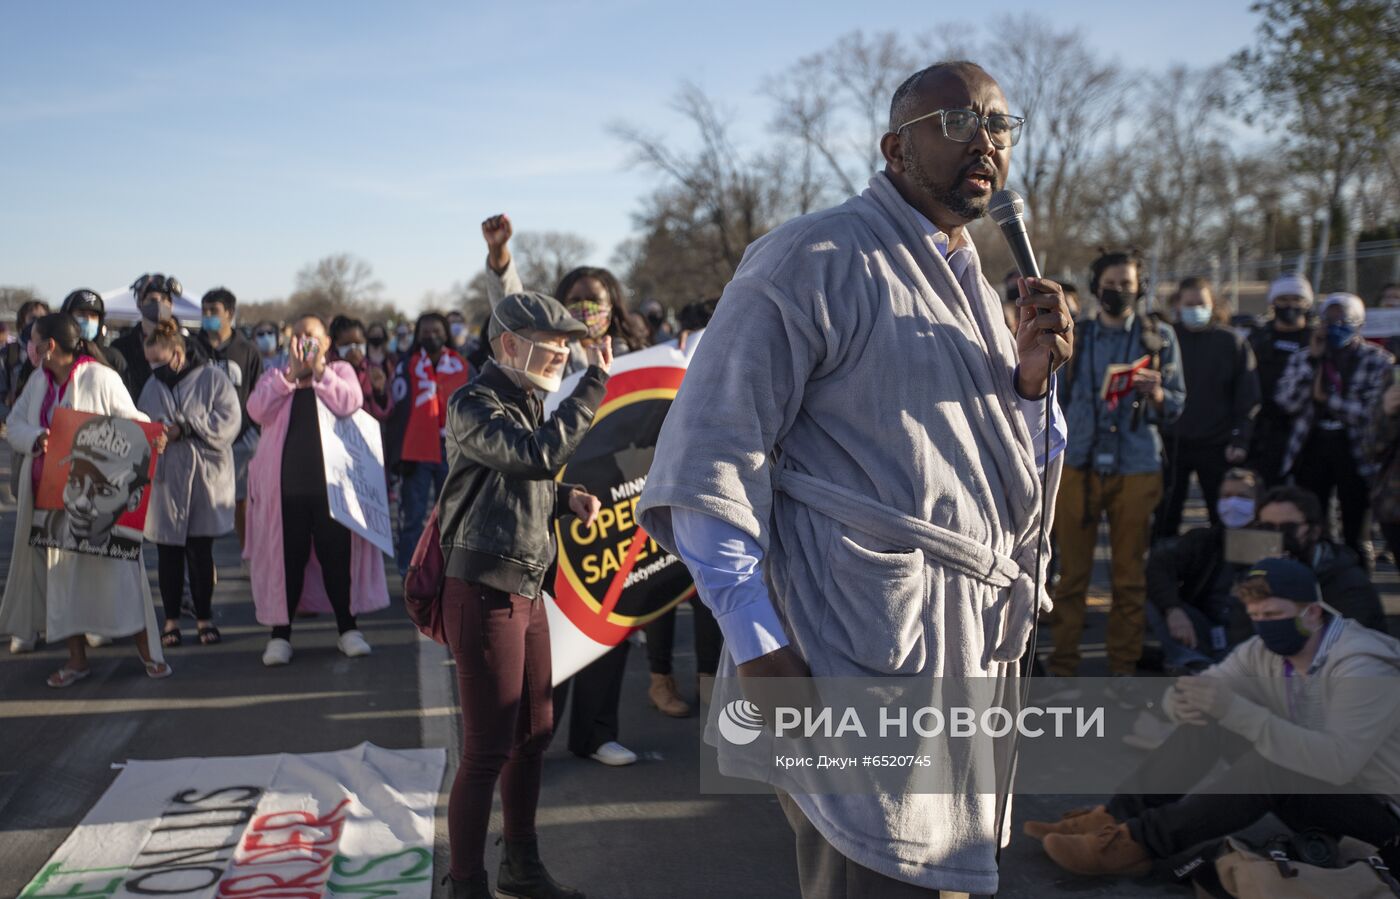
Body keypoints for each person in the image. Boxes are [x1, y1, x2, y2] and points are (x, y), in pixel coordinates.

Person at [636, 60, 1071, 897]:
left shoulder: (979, 287)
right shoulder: (811, 256)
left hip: (959, 647)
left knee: (936, 877)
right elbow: (711, 453)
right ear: (894, 150)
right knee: (869, 875)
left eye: (999, 125)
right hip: (854, 641)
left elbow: (1013, 472)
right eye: (956, 122)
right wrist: (757, 642)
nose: (984, 139)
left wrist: (1030, 382)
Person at [1027, 558, 1400, 880]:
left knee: (1271, 763)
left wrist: (1234, 710)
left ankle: (1138, 846)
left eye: (1273, 615)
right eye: (1256, 617)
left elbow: (1337, 762)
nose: (1264, 625)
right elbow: (1207, 687)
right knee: (1214, 720)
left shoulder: (1364, 666)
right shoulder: (1265, 650)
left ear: (1313, 613)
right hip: (1324, 791)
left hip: (1381, 817)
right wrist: (1182, 703)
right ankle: (1113, 819)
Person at [438, 290, 610, 899]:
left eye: (568, 341)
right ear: (510, 343)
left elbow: (519, 483)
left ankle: (520, 866)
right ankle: (466, 884)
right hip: (484, 589)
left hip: (524, 587)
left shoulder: (524, 399)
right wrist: (595, 386)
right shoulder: (472, 402)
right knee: (486, 750)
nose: (564, 351)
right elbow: (534, 457)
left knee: (533, 733)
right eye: (553, 341)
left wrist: (568, 499)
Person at [482, 214, 653, 766]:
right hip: (554, 510)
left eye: (595, 302)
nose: (586, 311)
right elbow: (511, 310)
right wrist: (502, 262)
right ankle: (532, 739)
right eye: (575, 301)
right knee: (550, 628)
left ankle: (596, 732)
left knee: (609, 620)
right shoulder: (551, 359)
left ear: (613, 309)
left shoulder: (635, 363)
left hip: (614, 513)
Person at [0, 313, 170, 685]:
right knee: (63, 582)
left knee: (121, 575)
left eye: (36, 341)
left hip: (101, 499)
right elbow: (14, 425)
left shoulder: (99, 377)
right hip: (52, 500)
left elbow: (131, 418)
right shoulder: (37, 382)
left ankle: (148, 653)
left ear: (51, 347)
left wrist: (151, 435)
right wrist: (38, 437)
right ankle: (77, 660)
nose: (31, 348)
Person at [1052, 250, 1185, 680]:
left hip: (1138, 466)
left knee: (1129, 577)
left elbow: (1179, 404)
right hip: (1079, 465)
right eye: (1111, 283)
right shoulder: (1078, 335)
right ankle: (1063, 666)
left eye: (1127, 284)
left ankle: (1122, 668)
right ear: (1095, 287)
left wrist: (1159, 395)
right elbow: (1051, 402)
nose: (1119, 291)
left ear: (1141, 288)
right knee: (1071, 577)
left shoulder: (1159, 337)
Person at [245, 315, 389, 666]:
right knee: (286, 564)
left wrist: (320, 372)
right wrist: (292, 375)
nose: (303, 342)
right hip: (285, 492)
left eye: (310, 337)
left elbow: (350, 402)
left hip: (332, 491)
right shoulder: (276, 376)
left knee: (336, 561)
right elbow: (256, 409)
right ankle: (280, 635)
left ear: (325, 342)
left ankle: (347, 629)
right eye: (296, 336)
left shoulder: (339, 372)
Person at [139, 318, 241, 647]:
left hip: (203, 479)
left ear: (178, 355)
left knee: (200, 552)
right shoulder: (152, 386)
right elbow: (141, 422)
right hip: (167, 480)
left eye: (159, 360)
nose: (154, 368)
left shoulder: (213, 379)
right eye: (150, 361)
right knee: (167, 553)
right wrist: (155, 437)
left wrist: (186, 427)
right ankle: (170, 619)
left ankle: (203, 617)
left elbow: (229, 420)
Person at [1275, 292, 1393, 567]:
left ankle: (1359, 582)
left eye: (1343, 320)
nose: (1334, 326)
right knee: (1315, 523)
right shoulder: (1305, 357)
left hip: (1356, 450)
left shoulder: (1378, 361)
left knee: (1356, 526)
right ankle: (1319, 580)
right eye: (1329, 320)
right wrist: (1313, 362)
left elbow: (1371, 414)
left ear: (1359, 323)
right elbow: (1286, 401)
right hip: (1312, 446)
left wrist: (1329, 400)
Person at [1154, 277, 1259, 539]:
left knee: (1222, 515)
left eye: (1201, 303)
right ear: (1178, 305)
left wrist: (1240, 437)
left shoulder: (1231, 342)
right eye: (1189, 303)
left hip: (1217, 443)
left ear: (1213, 305)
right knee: (1165, 514)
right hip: (1172, 442)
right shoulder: (1166, 339)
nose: (1195, 308)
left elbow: (1247, 396)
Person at [1145, 468, 1262, 674]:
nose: (1233, 503)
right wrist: (1173, 610)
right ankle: (1194, 665)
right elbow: (1158, 566)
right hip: (1205, 632)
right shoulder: (1205, 540)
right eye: (1226, 496)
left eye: (1242, 497)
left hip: (1253, 642)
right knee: (1154, 598)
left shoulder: (1272, 543)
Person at [385, 312, 471, 575]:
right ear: (417, 335)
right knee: (413, 518)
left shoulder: (462, 366)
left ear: (445, 333)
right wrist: (398, 454)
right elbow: (397, 412)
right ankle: (409, 575)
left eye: (437, 331)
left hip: (454, 451)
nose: (431, 336)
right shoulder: (406, 366)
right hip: (417, 451)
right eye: (425, 332)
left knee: (454, 517)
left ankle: (450, 574)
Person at [198, 288, 263, 550]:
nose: (208, 316)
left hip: (241, 440)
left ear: (230, 314)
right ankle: (203, 561)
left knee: (241, 501)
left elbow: (258, 392)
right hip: (202, 438)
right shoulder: (194, 348)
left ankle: (247, 553)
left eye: (214, 311)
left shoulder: (248, 351)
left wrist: (254, 432)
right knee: (202, 502)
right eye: (205, 311)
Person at [1247, 273, 1316, 486]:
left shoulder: (1315, 338)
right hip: (1264, 428)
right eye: (1283, 300)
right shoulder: (1259, 338)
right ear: (1273, 303)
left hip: (1306, 429)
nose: (1290, 306)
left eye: (1296, 300)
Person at [329, 316, 392, 421]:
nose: (353, 350)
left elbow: (384, 413)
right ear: (335, 345)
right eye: (346, 344)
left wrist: (379, 392)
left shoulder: (373, 371)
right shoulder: (328, 373)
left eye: (358, 343)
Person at [58, 290, 128, 384]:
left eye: (93, 316)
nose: (88, 320)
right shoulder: (56, 356)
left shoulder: (113, 358)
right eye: (81, 314)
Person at [1, 299, 51, 420]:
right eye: (32, 318)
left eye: (42, 318)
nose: (37, 323)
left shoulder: (54, 353)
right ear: (22, 322)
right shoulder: (8, 354)